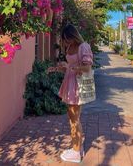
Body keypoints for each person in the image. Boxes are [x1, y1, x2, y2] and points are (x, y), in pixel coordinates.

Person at [48, 24, 94, 163]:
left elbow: (87, 67)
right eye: (64, 40)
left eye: (68, 39)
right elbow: (69, 69)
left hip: (77, 86)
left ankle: (75, 152)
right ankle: (77, 148)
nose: (66, 42)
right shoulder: (69, 47)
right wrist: (57, 69)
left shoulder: (83, 46)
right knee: (72, 118)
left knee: (74, 119)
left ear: (74, 36)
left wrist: (70, 67)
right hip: (69, 83)